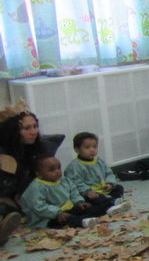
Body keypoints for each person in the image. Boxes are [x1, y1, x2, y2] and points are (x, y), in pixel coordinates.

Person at [0, 101, 63, 244]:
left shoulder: (38, 149)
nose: (33, 132)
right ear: (15, 132)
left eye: (35, 126)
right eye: (27, 128)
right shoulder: (4, 154)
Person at [20, 156, 111, 229]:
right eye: (52, 170)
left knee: (87, 208)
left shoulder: (64, 180)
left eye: (58, 168)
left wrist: (79, 202)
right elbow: (39, 207)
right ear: (39, 174)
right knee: (68, 220)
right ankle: (84, 222)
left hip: (69, 209)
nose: (57, 172)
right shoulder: (36, 187)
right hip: (49, 217)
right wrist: (58, 213)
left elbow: (73, 191)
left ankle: (109, 206)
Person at [64, 132, 127, 214]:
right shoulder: (74, 167)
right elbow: (75, 183)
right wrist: (87, 192)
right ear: (77, 149)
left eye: (95, 147)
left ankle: (111, 202)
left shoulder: (99, 161)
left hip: (104, 190)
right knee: (97, 200)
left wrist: (109, 184)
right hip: (91, 194)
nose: (92, 150)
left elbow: (109, 173)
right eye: (87, 147)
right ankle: (111, 203)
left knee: (119, 188)